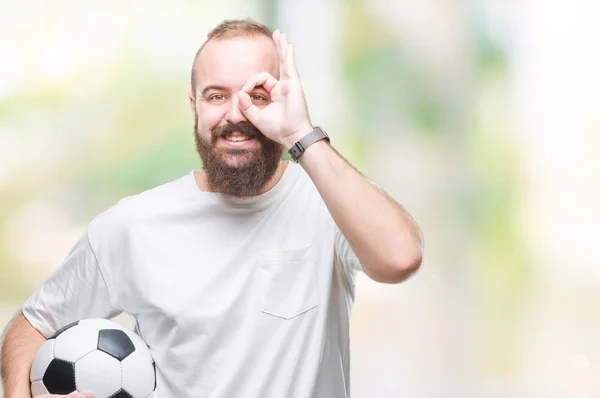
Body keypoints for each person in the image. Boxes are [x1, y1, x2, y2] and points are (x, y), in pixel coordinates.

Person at [0, 18, 423, 398]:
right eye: (216, 95)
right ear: (194, 106)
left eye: (257, 94)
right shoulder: (132, 225)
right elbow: (32, 325)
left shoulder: (330, 201)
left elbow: (401, 258)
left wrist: (301, 131)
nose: (236, 114)